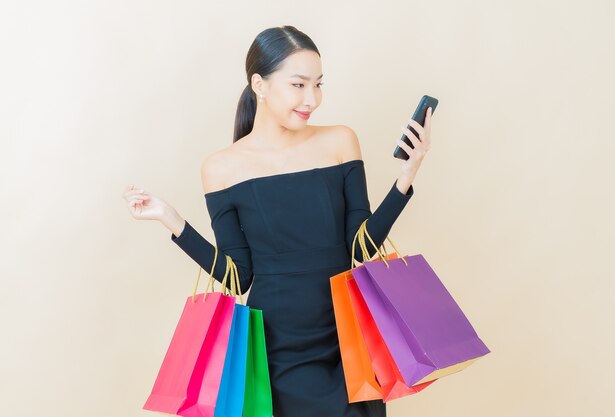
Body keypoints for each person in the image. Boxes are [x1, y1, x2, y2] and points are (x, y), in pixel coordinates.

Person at [122, 25, 432, 417]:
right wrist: (171, 220)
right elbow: (239, 278)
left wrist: (407, 176)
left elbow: (360, 248)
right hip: (276, 350)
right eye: (299, 85)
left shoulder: (339, 141)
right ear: (260, 84)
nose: (312, 99)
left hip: (347, 342)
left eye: (318, 85)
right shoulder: (222, 167)